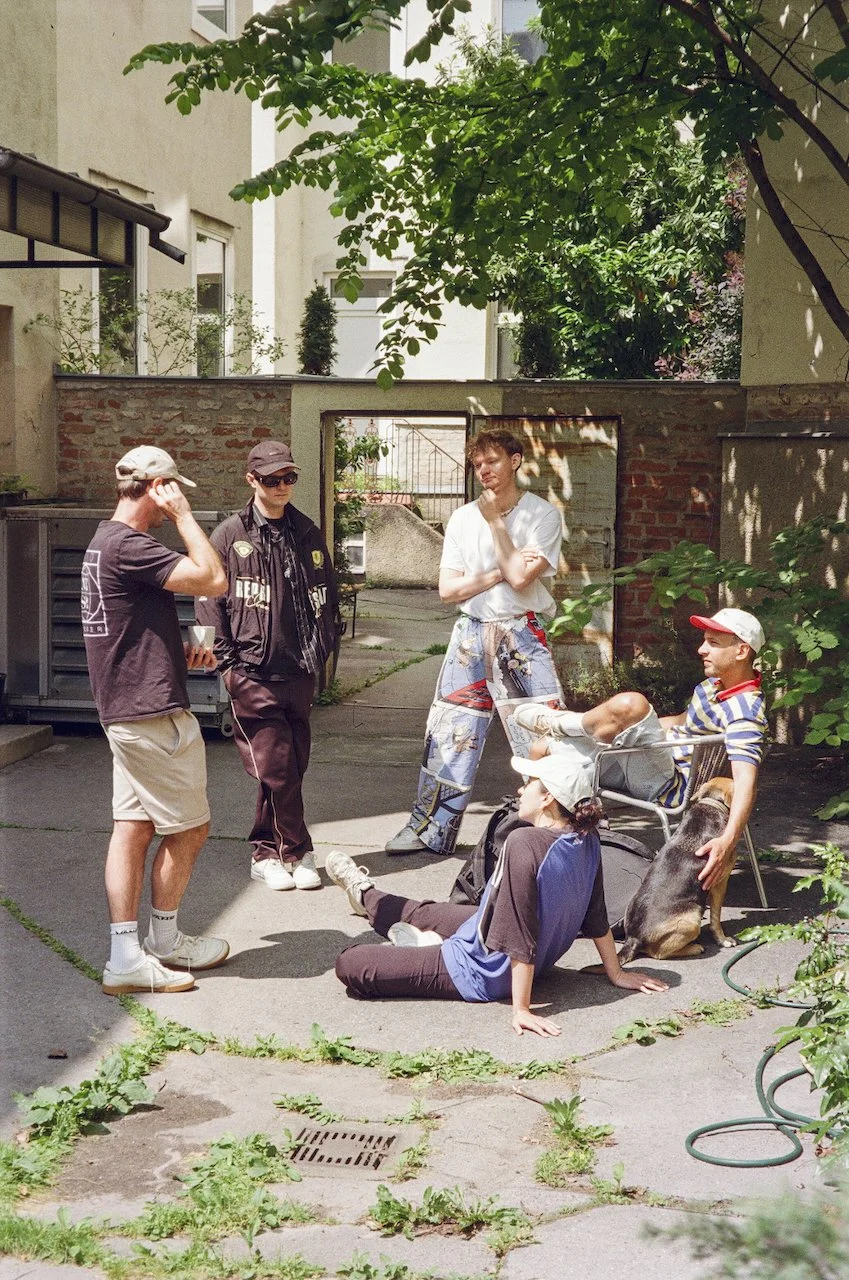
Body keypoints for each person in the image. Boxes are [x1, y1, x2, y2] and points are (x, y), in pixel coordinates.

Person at [328, 753, 667, 1035]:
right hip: (511, 948)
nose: (520, 790)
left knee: (352, 963)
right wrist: (617, 973)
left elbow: (519, 931)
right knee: (426, 912)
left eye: (529, 784)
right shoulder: (587, 836)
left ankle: (430, 947)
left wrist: (521, 1008)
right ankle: (366, 894)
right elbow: (596, 916)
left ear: (547, 797)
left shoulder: (525, 843)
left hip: (481, 971)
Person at [82, 445, 230, 995]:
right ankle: (160, 944)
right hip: (151, 713)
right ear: (157, 487)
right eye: (172, 490)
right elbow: (212, 579)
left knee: (133, 828)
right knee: (190, 827)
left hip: (126, 707)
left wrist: (180, 643)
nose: (177, 499)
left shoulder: (105, 543)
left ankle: (130, 953)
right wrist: (186, 518)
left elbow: (135, 618)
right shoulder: (130, 544)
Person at [386, 427, 565, 858]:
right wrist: (502, 569)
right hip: (469, 633)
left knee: (543, 734)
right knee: (450, 730)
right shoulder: (463, 517)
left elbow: (525, 580)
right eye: (478, 464)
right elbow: (449, 590)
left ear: (516, 461)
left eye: (493, 461)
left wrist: (497, 524)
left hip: (520, 633)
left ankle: (561, 829)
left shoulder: (542, 515)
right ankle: (430, 828)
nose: (484, 470)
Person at [515, 608, 768, 894]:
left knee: (631, 704)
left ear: (742, 651)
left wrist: (727, 841)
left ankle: (562, 721)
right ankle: (532, 860)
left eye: (713, 642)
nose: (701, 649)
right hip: (650, 759)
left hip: (669, 784)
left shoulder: (745, 713)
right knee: (542, 749)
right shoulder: (713, 687)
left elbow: (746, 783)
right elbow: (682, 724)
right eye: (704, 640)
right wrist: (625, 730)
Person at [196, 440, 341, 892]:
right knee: (275, 765)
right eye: (272, 479)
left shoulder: (306, 531)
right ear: (251, 480)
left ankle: (264, 850)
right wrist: (225, 666)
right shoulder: (228, 535)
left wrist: (325, 646)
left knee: (291, 765)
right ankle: (296, 850)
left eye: (289, 478)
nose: (282, 487)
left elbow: (329, 593)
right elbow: (207, 602)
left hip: (299, 668)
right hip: (251, 670)